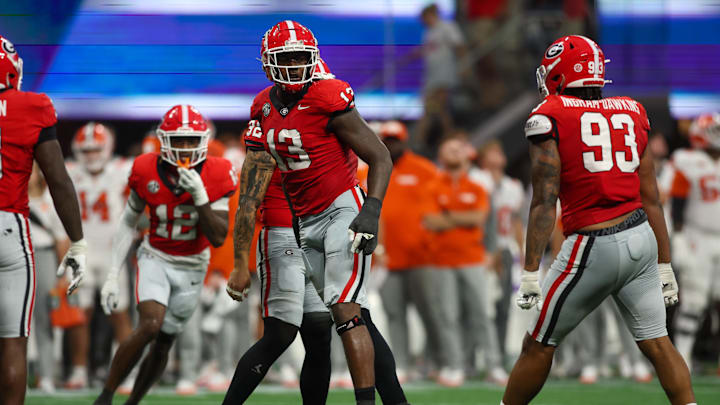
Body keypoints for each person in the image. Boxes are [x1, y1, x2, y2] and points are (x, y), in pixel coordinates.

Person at [501, 35, 695, 405]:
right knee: (658, 343)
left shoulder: (550, 115)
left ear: (560, 73)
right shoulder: (632, 110)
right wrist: (664, 262)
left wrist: (529, 270)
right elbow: (650, 195)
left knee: (538, 344)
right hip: (640, 237)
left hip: (592, 244)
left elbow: (544, 199)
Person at [226, 21, 404, 405]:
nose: (293, 65)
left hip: (340, 208)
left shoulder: (328, 95)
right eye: (284, 58)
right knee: (323, 328)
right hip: (301, 220)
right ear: (267, 62)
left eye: (300, 57)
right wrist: (241, 258)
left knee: (348, 313)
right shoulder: (262, 106)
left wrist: (371, 210)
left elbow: (379, 155)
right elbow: (250, 191)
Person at [93, 104, 237, 405]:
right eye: (178, 140)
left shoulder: (218, 170)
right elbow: (128, 222)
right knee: (150, 325)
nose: (184, 147)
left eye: (191, 140)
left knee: (163, 343)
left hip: (194, 265)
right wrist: (112, 274)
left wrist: (200, 197)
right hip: (155, 255)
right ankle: (105, 397)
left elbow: (218, 236)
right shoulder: (145, 167)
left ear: (204, 141)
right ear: (163, 140)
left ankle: (133, 401)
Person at [0, 34, 86, 405]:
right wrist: (78, 240)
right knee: (13, 342)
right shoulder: (32, 106)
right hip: (9, 229)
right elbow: (58, 179)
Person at [422, 137, 507, 387]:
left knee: (482, 313)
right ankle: (455, 366)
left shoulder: (477, 187)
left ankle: (494, 365)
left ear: (466, 155)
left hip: (472, 258)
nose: (454, 151)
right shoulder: (433, 186)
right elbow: (430, 221)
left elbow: (479, 217)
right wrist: (463, 218)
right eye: (449, 148)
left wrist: (447, 216)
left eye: (458, 148)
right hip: (441, 260)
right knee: (448, 316)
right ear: (440, 155)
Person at [65, 122, 134, 389]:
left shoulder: (122, 170)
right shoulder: (69, 171)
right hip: (81, 250)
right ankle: (79, 370)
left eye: (97, 149)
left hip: (111, 252)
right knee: (79, 314)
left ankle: (125, 372)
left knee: (119, 313)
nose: (92, 155)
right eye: (87, 150)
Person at [376, 120, 439, 381]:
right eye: (387, 140)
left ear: (404, 141)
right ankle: (401, 363)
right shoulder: (369, 170)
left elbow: (438, 208)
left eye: (395, 140)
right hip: (387, 259)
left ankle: (433, 361)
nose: (391, 144)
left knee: (431, 314)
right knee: (394, 315)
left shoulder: (424, 169)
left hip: (421, 257)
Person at [670, 113, 720, 372]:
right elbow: (677, 204)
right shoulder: (687, 161)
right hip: (697, 237)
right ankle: (683, 356)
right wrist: (678, 238)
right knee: (694, 301)